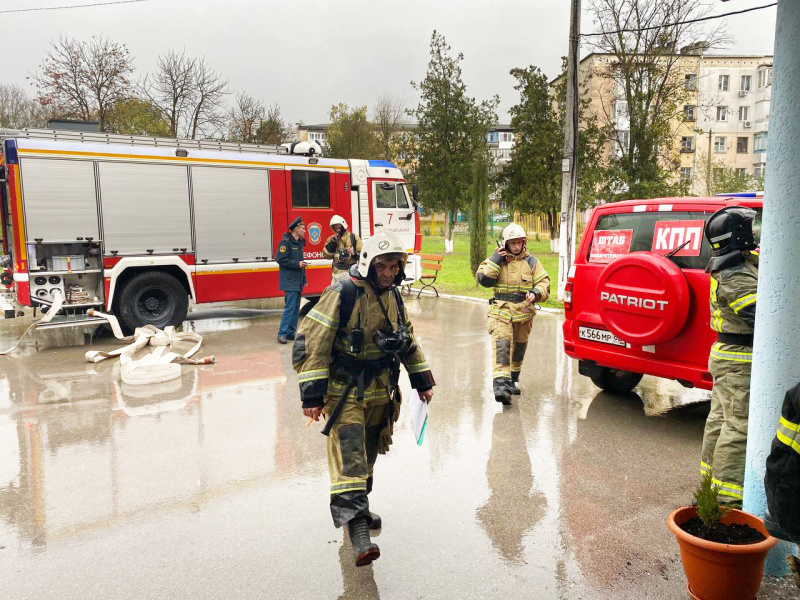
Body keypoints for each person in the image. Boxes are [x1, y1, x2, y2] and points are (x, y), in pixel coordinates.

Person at [293, 230, 435, 567]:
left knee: (368, 455)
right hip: (344, 393)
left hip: (380, 391)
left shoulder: (394, 297)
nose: (388, 273)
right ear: (369, 263)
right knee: (351, 457)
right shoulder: (342, 291)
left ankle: (361, 506)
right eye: (382, 266)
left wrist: (422, 380)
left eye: (394, 267)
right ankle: (358, 534)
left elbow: (407, 340)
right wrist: (312, 395)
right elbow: (311, 343)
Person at [700, 206, 759, 507]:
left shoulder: (732, 264)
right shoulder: (736, 273)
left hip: (729, 356)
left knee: (720, 421)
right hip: (740, 359)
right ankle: (727, 502)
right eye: (749, 228)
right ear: (738, 235)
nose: (754, 233)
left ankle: (710, 487)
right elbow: (763, 314)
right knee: (737, 427)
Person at [476, 223, 550, 405]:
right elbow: (483, 279)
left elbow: (545, 283)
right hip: (500, 312)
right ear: (505, 244)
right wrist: (496, 259)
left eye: (519, 242)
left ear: (523, 243)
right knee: (502, 347)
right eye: (512, 243)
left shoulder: (532, 262)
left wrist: (537, 293)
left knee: (519, 348)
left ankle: (513, 379)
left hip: (523, 313)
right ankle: (501, 388)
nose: (516, 246)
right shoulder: (494, 260)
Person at [276, 217, 307, 344]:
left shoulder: (299, 242)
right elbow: (281, 259)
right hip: (289, 280)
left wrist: (304, 278)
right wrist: (297, 264)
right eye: (303, 229)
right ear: (296, 229)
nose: (305, 231)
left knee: (295, 307)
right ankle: (282, 334)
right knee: (290, 307)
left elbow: (301, 264)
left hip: (297, 280)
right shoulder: (286, 242)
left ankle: (290, 333)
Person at [324, 215, 362, 284]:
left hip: (350, 273)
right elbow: (326, 255)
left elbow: (362, 256)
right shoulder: (331, 239)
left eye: (339, 228)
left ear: (343, 226)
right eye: (336, 228)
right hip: (336, 274)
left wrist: (353, 254)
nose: (338, 230)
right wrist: (332, 243)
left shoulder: (353, 238)